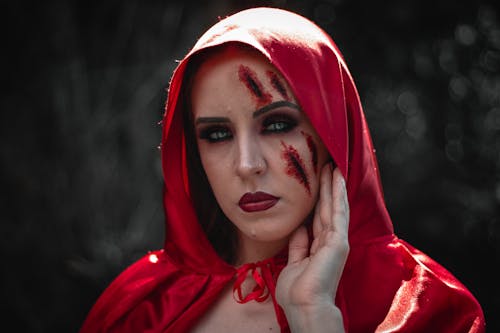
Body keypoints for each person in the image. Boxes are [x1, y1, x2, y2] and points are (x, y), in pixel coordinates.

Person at [79, 7, 485, 333]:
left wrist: (315, 317)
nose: (247, 165)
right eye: (217, 134)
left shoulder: (424, 311)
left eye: (277, 125)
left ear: (334, 133)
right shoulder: (140, 308)